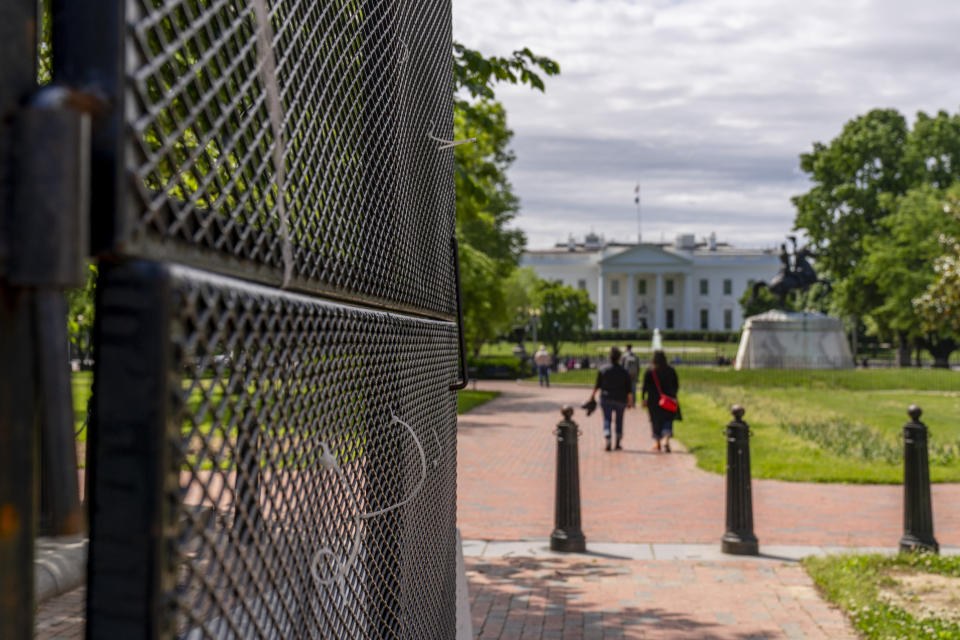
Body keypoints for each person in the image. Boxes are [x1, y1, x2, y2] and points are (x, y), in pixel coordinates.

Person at [587, 346, 634, 451]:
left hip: (606, 397)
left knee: (607, 418)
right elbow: (629, 389)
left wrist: (592, 396)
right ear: (619, 358)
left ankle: (607, 435)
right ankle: (617, 441)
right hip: (621, 399)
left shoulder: (603, 369)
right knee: (619, 420)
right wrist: (630, 401)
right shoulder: (624, 372)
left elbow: (597, 385)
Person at [641, 350, 681, 452]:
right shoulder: (671, 370)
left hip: (654, 400)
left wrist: (643, 398)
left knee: (655, 421)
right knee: (668, 420)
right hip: (668, 399)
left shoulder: (650, 371)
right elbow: (676, 384)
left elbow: (644, 387)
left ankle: (658, 442)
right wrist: (674, 395)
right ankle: (666, 440)